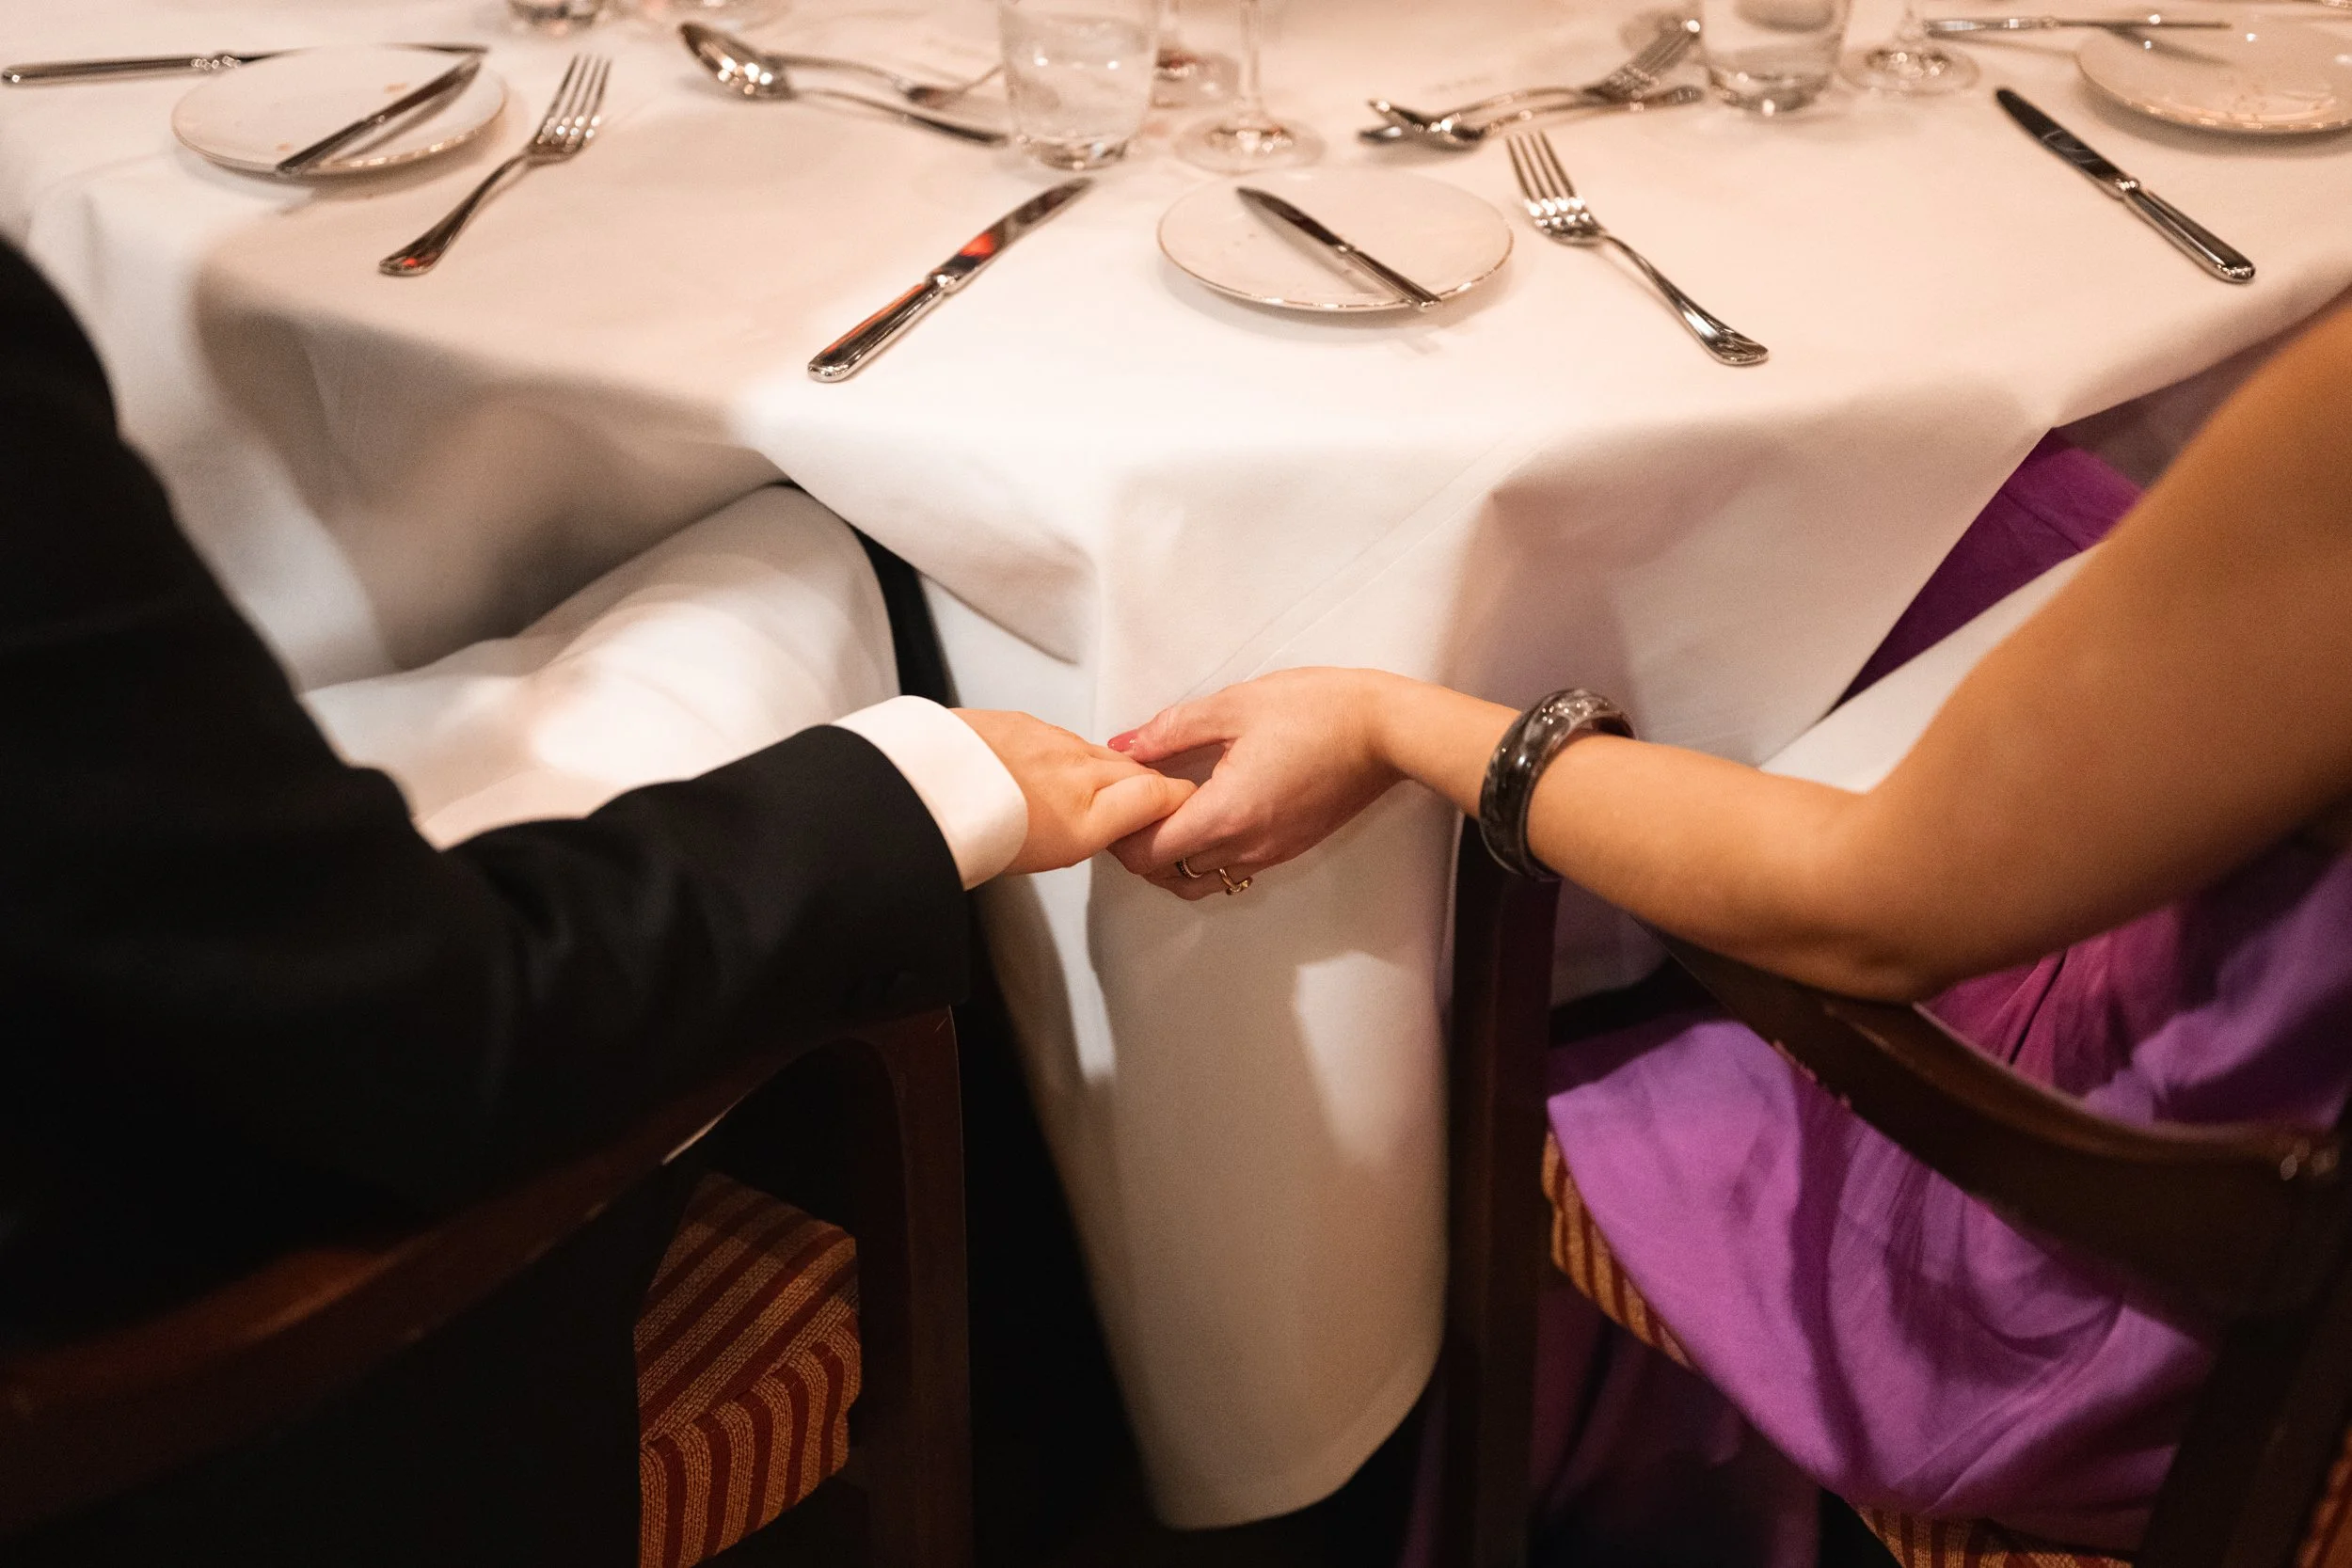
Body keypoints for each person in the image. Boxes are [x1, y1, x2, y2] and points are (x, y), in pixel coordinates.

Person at [0, 237, 1188, 1561]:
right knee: (812, 553)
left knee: (733, 570)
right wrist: (924, 793)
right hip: (217, 1386)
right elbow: (430, 1037)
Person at [1107, 304, 2352, 1554]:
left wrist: (1391, 719)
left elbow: (1861, 909)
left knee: (1556, 923)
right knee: (1963, 494)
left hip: (2122, 1295)